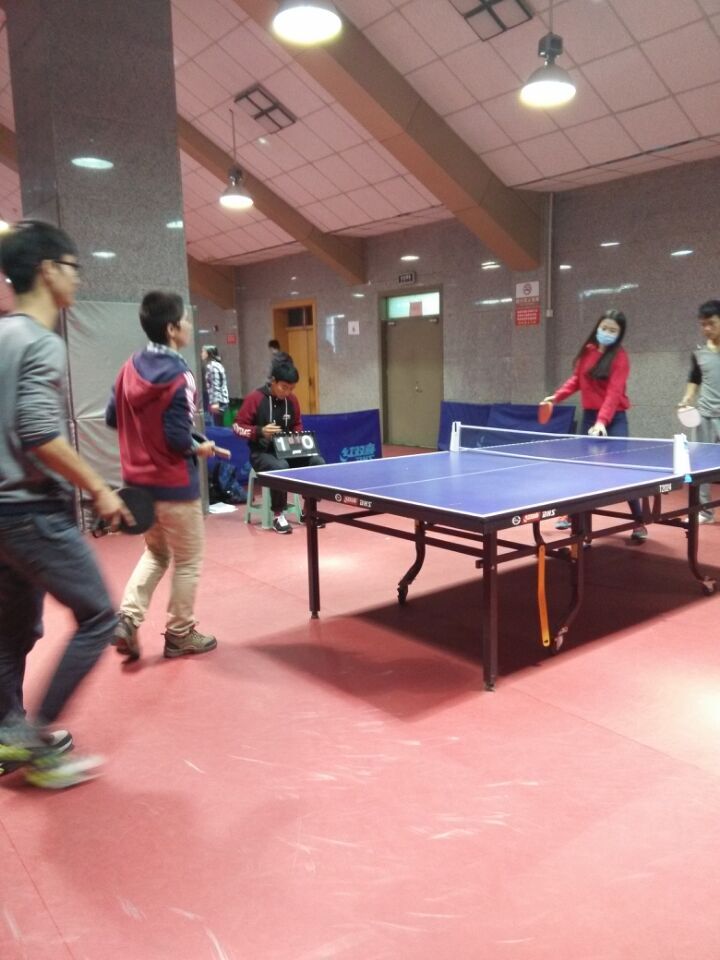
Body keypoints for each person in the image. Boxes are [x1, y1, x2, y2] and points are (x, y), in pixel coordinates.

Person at [0, 220, 131, 789]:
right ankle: (38, 746)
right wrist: (99, 487)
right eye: (74, 268)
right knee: (99, 616)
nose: (78, 279)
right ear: (48, 269)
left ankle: (8, 730)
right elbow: (38, 431)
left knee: (12, 630)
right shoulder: (40, 341)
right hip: (31, 511)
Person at [106, 291, 218, 660]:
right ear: (171, 329)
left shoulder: (129, 367)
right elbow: (176, 439)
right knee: (187, 560)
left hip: (139, 487)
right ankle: (180, 633)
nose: (189, 325)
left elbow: (112, 417)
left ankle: (128, 618)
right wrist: (200, 447)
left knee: (155, 553)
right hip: (174, 487)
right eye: (185, 319)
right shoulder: (180, 376)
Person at [541, 309, 648, 542]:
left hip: (614, 418)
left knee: (623, 472)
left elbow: (614, 393)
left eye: (613, 330)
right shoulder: (588, 351)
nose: (607, 333)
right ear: (598, 327)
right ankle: (575, 519)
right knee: (582, 470)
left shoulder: (620, 357)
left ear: (619, 334)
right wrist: (555, 397)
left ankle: (639, 521)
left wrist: (602, 421)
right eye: (604, 328)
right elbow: (576, 381)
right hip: (590, 416)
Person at [233, 355, 324, 534]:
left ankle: (309, 510)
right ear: (273, 381)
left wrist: (297, 437)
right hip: (262, 453)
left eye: (291, 388)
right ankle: (278, 515)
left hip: (288, 451)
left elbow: (297, 424)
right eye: (284, 387)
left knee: (317, 461)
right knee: (280, 466)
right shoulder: (255, 398)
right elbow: (237, 427)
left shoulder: (292, 400)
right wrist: (260, 431)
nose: (287, 392)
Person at [678, 299, 720, 523]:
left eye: (711, 323)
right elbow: (695, 378)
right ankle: (704, 512)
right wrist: (687, 397)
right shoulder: (699, 353)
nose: (706, 329)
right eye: (703, 324)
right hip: (704, 415)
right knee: (700, 466)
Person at [201, 345, 229, 426]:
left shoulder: (212, 366)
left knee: (216, 426)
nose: (201, 354)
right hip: (221, 400)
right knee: (218, 424)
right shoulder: (217, 365)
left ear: (208, 353)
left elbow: (215, 385)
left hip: (217, 401)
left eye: (203, 352)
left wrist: (215, 402)